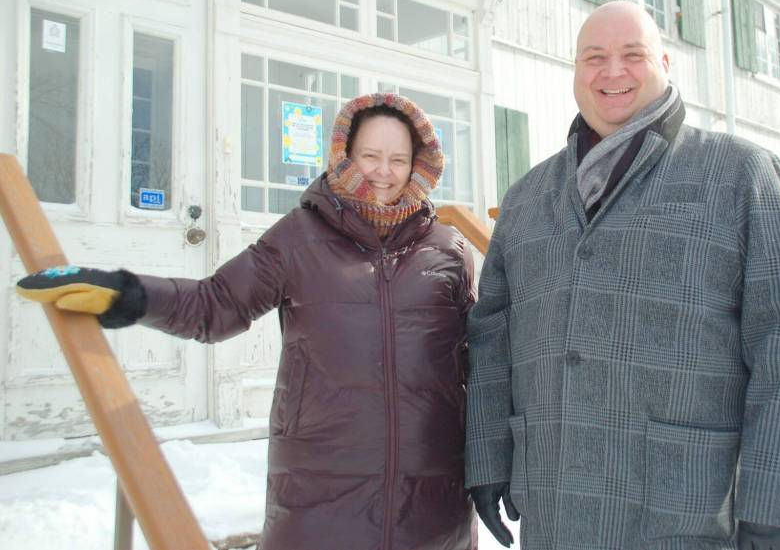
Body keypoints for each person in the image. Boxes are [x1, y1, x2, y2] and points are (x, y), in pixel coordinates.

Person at [17, 93, 477, 550]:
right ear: (345, 155)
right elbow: (215, 304)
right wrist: (128, 293)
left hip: (432, 498)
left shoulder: (447, 249)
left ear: (418, 165)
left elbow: (478, 356)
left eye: (398, 159)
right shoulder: (299, 236)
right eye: (370, 156)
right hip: (322, 489)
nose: (383, 172)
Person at [464, 1, 780, 550]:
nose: (612, 71)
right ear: (576, 71)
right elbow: (494, 339)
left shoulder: (740, 175)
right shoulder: (527, 198)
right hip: (554, 508)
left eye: (632, 55)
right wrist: (489, 456)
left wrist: (776, 511)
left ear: (664, 64)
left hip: (686, 516)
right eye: (594, 57)